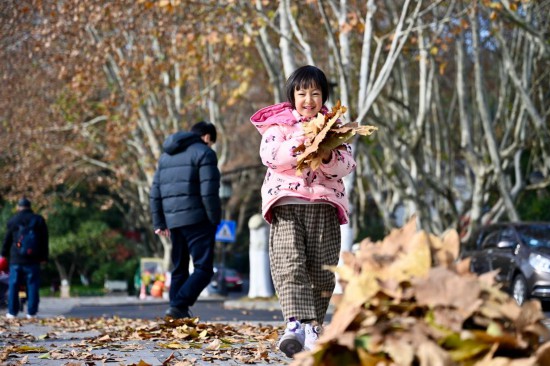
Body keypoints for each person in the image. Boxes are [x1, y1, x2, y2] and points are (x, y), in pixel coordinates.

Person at [250, 65, 357, 357]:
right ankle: (295, 324)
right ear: (292, 96)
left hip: (324, 204)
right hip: (287, 203)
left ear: (323, 96)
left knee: (321, 271)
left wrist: (326, 155)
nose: (308, 99)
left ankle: (313, 327)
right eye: (301, 93)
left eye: (315, 93)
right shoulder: (278, 126)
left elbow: (347, 165)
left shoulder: (334, 126)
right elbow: (271, 156)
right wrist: (302, 143)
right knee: (289, 262)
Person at [150, 121, 221, 319]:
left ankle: (176, 312)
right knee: (204, 269)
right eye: (211, 142)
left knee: (179, 268)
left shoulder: (166, 156)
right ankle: (179, 304)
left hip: (173, 222)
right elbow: (209, 192)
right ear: (207, 137)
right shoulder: (205, 153)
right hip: (198, 219)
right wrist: (214, 219)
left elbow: (154, 191)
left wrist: (159, 222)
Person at [1, 197, 49, 319]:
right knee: (32, 285)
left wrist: (3, 254)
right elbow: (44, 241)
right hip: (33, 259)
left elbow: (7, 239)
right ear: (30, 206)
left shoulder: (13, 220)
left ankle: (12, 312)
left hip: (16, 259)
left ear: (18, 207)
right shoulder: (38, 220)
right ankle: (31, 313)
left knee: (13, 285)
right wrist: (44, 257)